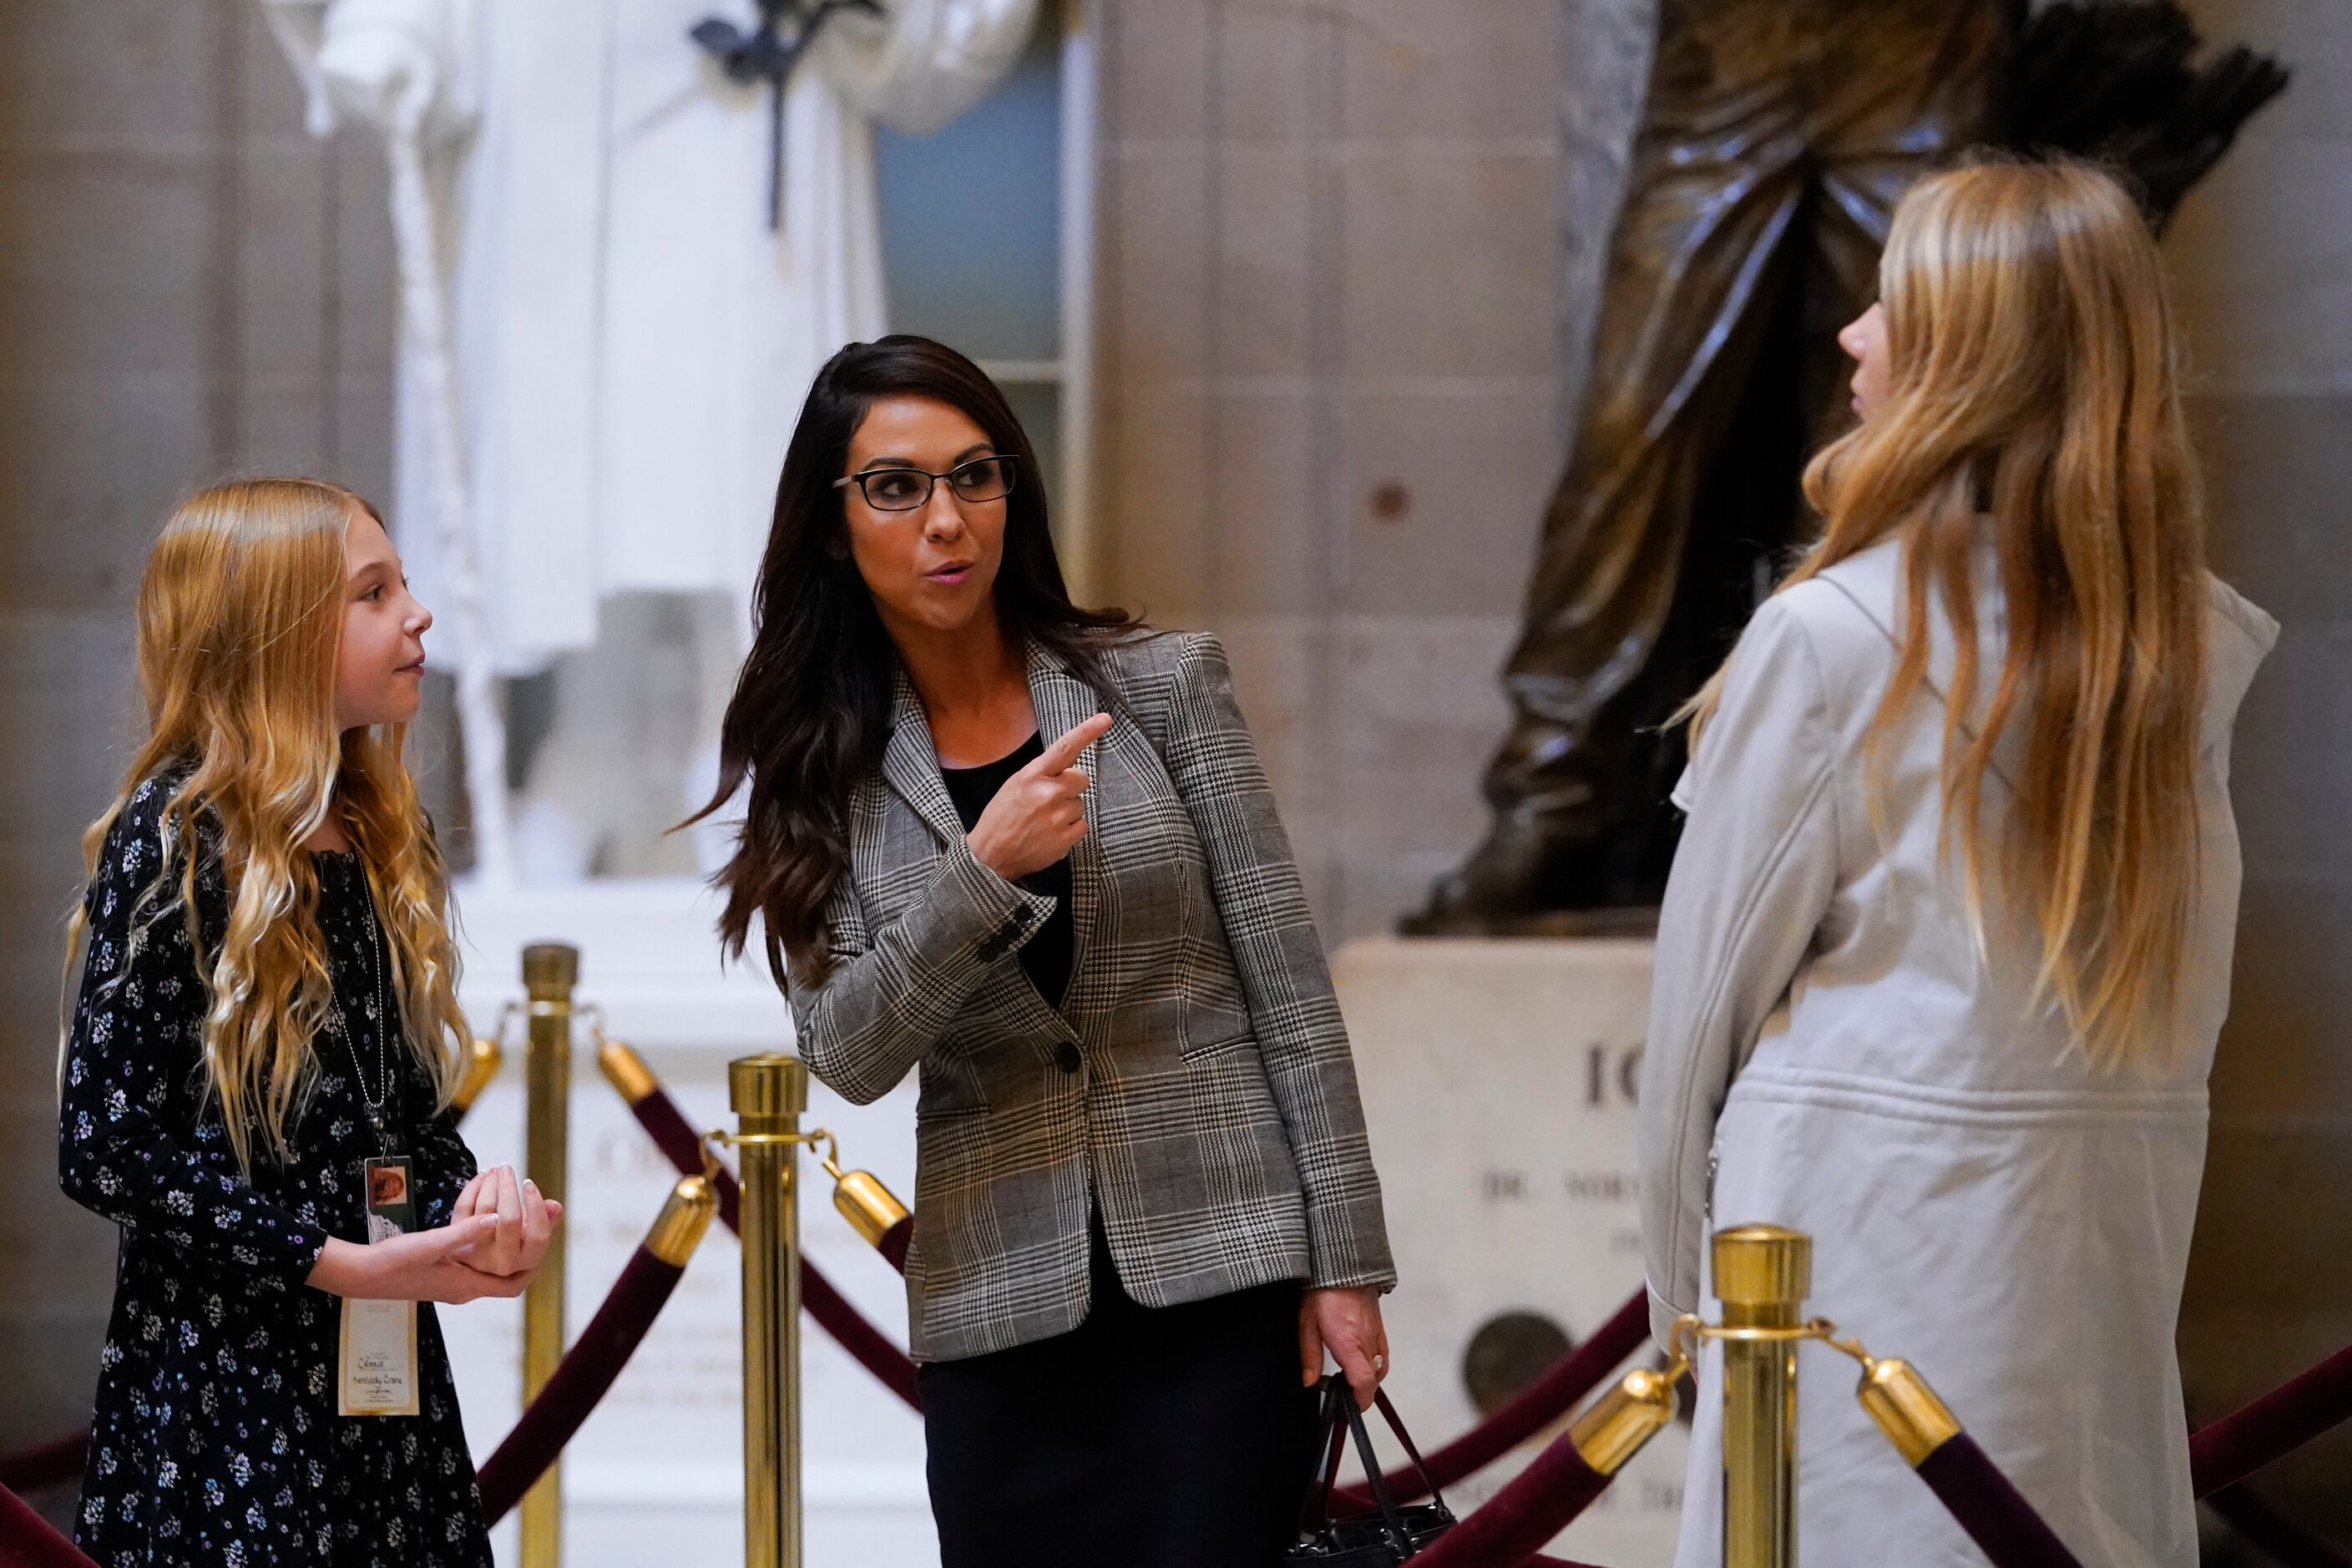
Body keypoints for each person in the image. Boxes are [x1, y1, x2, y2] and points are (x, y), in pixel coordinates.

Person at [1636, 159, 2277, 1568]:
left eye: (1890, 306)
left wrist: (1670, 1293)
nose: (1853, 335)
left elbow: (1700, 1009)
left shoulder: (1829, 636)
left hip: (1839, 1227)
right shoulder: (2191, 645)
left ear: (1970, 362)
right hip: (2092, 1232)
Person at [692, 336, 1396, 1568]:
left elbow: (1288, 988)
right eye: (896, 486)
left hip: (1223, 1280)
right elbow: (845, 1051)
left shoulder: (1161, 688)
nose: (946, 519)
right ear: (829, 524)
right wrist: (982, 873)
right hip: (1000, 1310)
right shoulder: (816, 773)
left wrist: (1345, 1261)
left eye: (975, 475)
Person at [58, 478, 561, 1567]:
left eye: (404, 583)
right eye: (373, 592)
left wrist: (472, 1216)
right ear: (275, 639)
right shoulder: (181, 829)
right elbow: (105, 1145)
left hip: (378, 1398)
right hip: (225, 1395)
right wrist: (332, 1261)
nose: (417, 613)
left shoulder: (376, 824)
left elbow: (404, 1123)